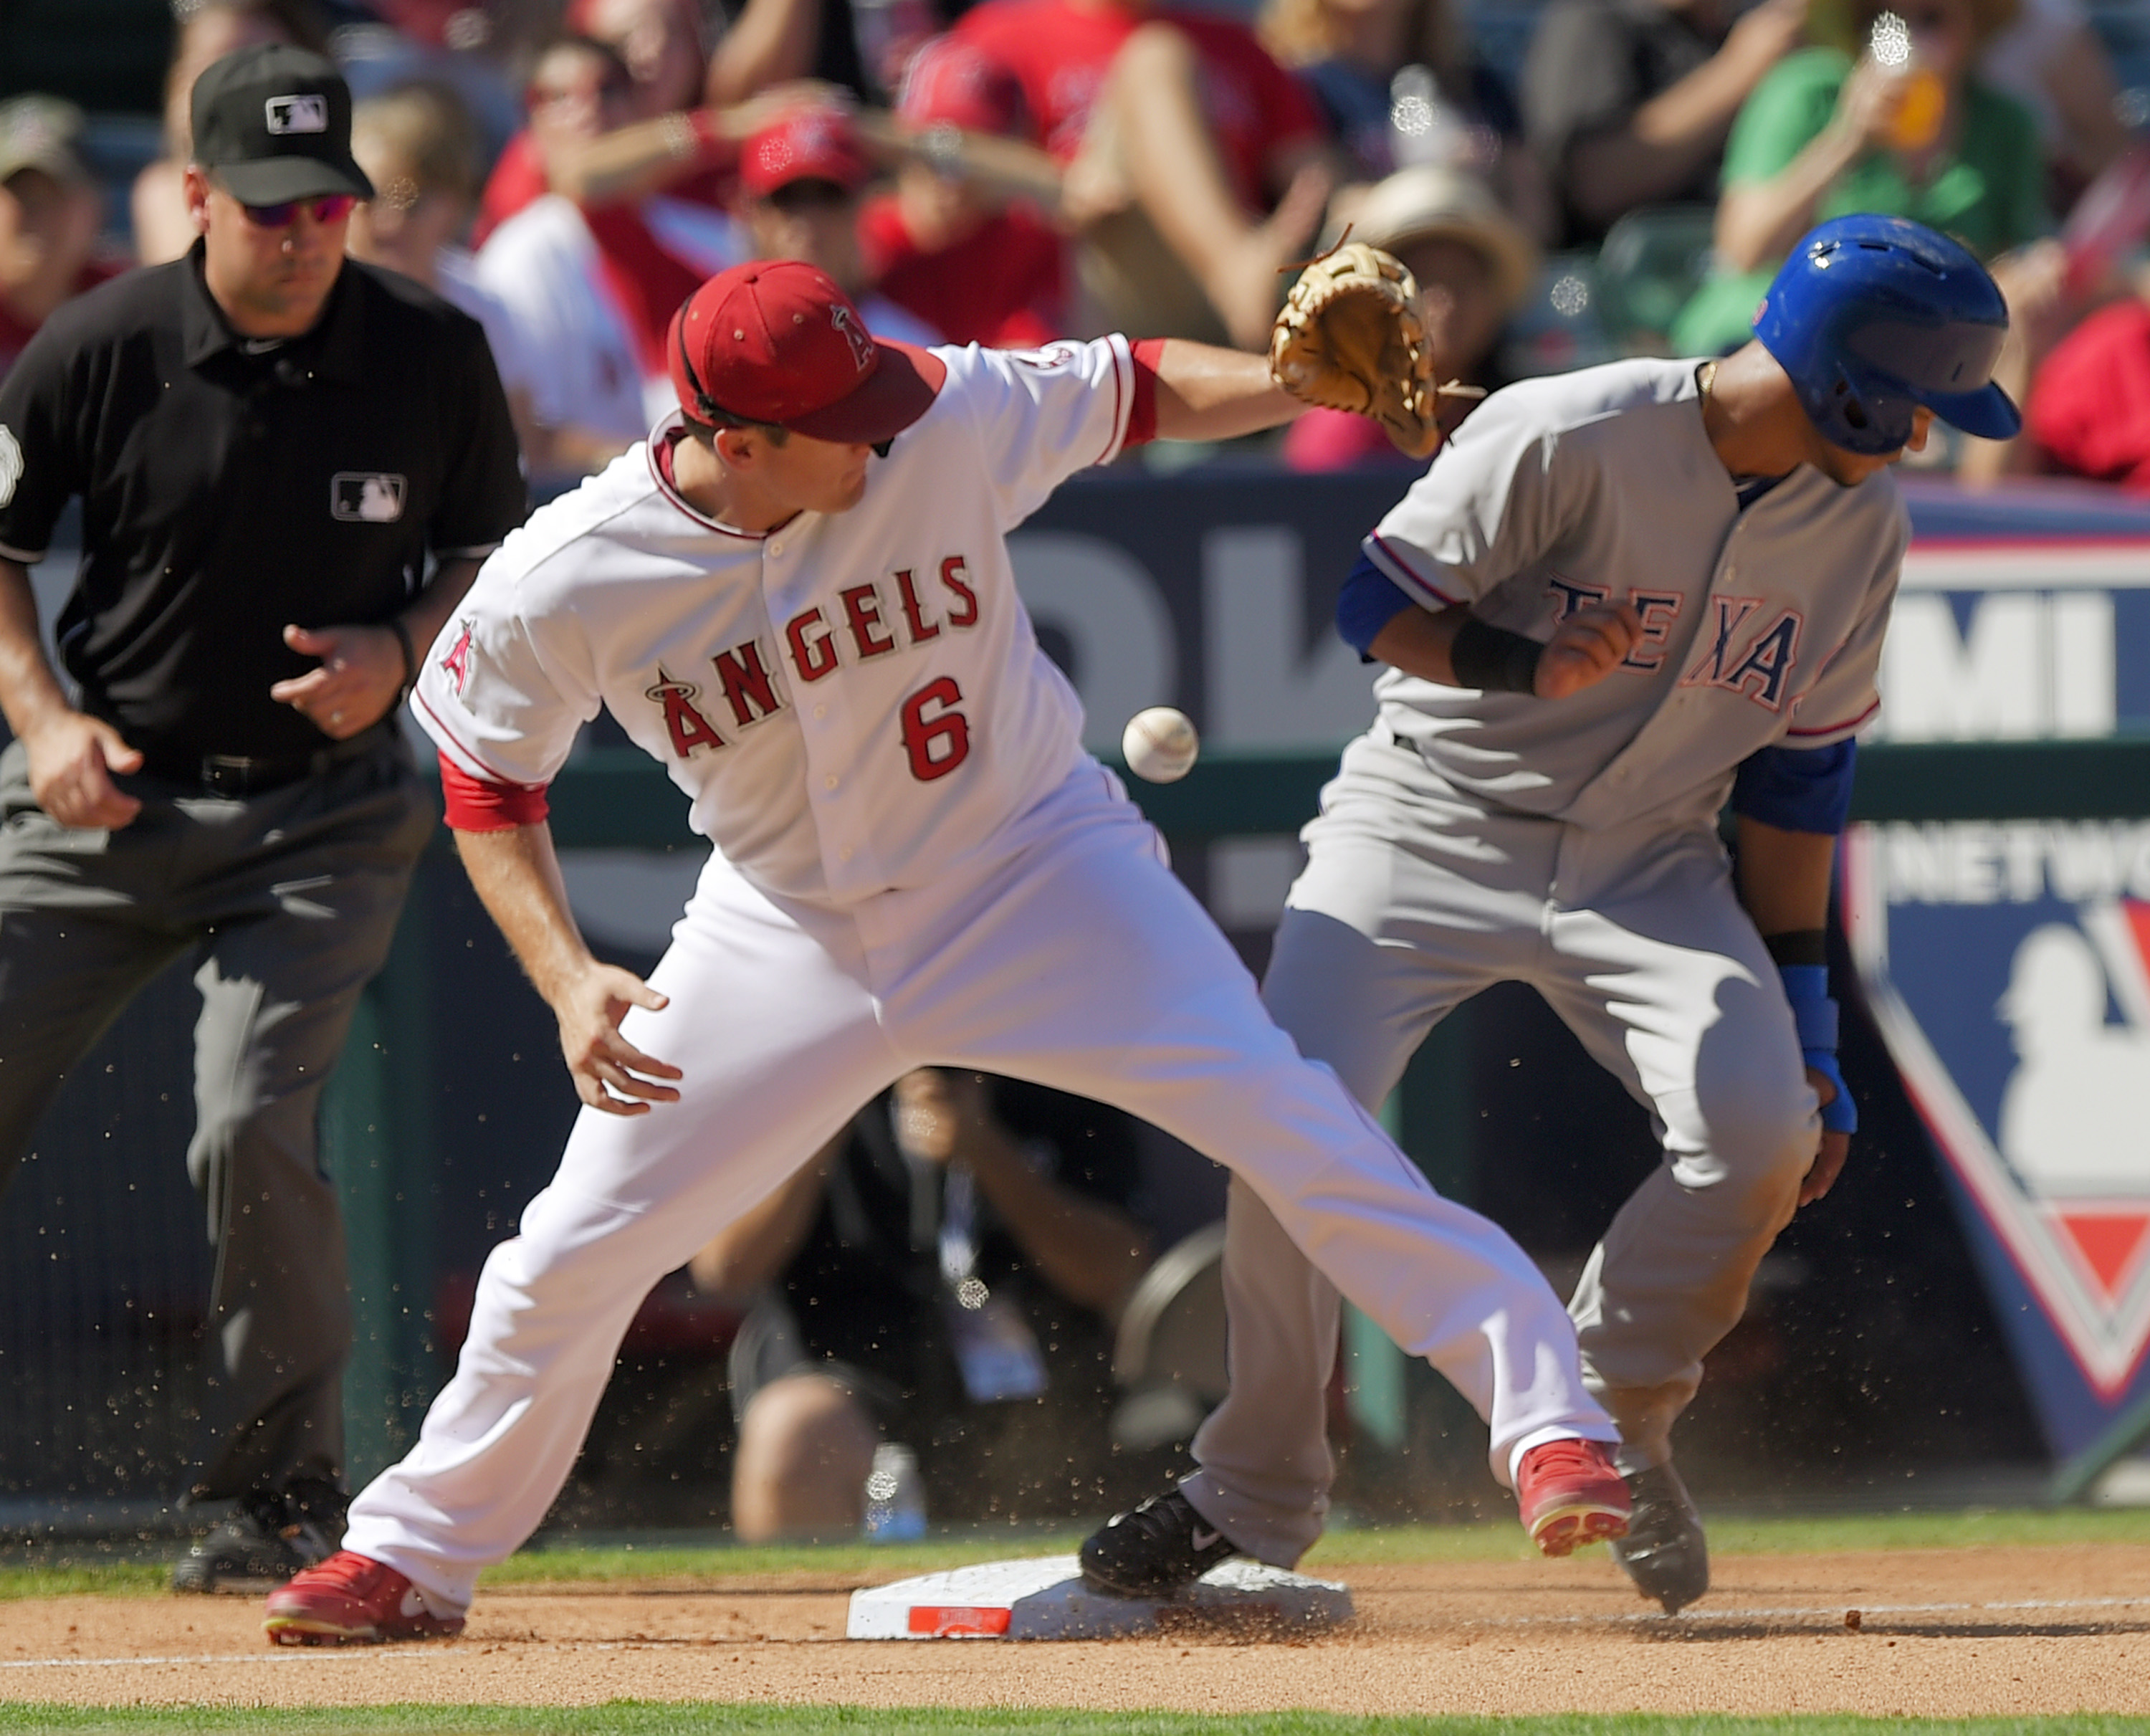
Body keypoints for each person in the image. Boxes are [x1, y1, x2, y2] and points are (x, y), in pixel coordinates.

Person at [259, 255, 1633, 1645]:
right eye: (842, 421)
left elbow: (1134, 386)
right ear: (741, 440)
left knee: (1286, 1116)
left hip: (1034, 869)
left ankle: (1549, 1421)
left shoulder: (935, 412)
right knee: (571, 1243)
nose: (881, 431)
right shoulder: (576, 566)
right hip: (787, 924)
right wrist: (565, 977)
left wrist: (1288, 384)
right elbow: (488, 775)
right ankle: (409, 1554)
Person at [1076, 215, 2020, 1617]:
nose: (1927, 439)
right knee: (1283, 1121)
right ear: (1848, 387)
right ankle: (1253, 1485)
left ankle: (1614, 1410)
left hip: (1652, 859)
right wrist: (1518, 658)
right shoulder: (1572, 427)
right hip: (1428, 823)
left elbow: (1800, 786)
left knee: (1764, 1130)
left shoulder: (1860, 525)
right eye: (1917, 407)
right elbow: (1373, 600)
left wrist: (1810, 1024)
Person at [0, 44, 525, 1593]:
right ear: (196, 197)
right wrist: (43, 722)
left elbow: (492, 550)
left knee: (249, 1121)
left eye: (327, 206)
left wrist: (404, 647)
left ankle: (279, 1496)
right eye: (271, 207)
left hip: (322, 817)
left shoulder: (431, 349)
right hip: (110, 794)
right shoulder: (99, 344)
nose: (303, 236)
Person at [692, 1069, 1155, 1537]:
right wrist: (823, 1118)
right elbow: (725, 1270)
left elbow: (1114, 1273)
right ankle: (805, 1590)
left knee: (1062, 1448)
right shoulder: (805, 1077)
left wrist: (985, 1149)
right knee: (797, 1430)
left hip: (1033, 1384)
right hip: (848, 1364)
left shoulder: (1060, 1073)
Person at [953, 0, 1337, 350]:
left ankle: (1255, 286)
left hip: (1230, 284)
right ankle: (1240, 278)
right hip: (1093, 291)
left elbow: (1315, 172)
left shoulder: (1236, 45)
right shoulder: (1005, 36)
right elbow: (937, 154)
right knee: (1156, 59)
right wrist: (1054, 182)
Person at [1671, 0, 2045, 359]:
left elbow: (2011, 260)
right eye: (1883, 20)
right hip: (1773, 332)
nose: (1905, 38)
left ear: (1972, 23)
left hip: (1922, 348)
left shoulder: (2006, 123)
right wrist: (1848, 140)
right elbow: (1743, 254)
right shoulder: (1806, 91)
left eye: (1931, 18)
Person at [474, 38, 744, 481]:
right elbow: (533, 440)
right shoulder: (519, 256)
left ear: (640, 108)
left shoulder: (712, 236)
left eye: (608, 89)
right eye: (559, 97)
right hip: (588, 496)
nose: (589, 109)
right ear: (530, 129)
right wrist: (671, 467)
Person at [1281, 163, 1537, 472]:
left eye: (1462, 280)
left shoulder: (1520, 421)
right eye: (1422, 281)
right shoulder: (1341, 427)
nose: (1446, 301)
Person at [1521, 0, 1809, 248]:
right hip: (1634, 281)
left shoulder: (1736, 25)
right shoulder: (1592, 20)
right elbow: (1594, 184)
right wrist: (1739, 72)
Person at [1259, 0, 1552, 242]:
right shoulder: (1295, 87)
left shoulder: (1479, 88)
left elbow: (1537, 218)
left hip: (1480, 275)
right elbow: (1328, 209)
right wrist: (1442, 192)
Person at [858, 39, 1069, 350]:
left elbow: (1032, 355)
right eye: (933, 149)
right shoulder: (861, 239)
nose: (950, 178)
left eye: (972, 157)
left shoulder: (1021, 241)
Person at [131, 0, 333, 265]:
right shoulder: (163, 190)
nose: (240, 88)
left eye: (257, 67)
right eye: (217, 69)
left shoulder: (353, 176)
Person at [735, 104, 940, 343]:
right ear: (752, 210)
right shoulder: (717, 326)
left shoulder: (909, 345)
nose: (808, 219)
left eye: (828, 195)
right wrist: (729, 124)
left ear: (862, 204)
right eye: (787, 197)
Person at [0, 97, 123, 383]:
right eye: (21, 194)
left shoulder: (125, 308)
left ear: (94, 207)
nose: (37, 213)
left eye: (54, 192)